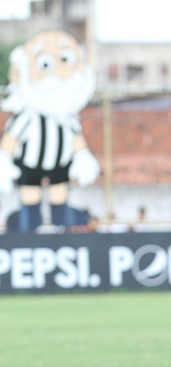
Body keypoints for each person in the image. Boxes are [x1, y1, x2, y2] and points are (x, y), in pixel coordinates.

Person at [0, 29, 100, 233]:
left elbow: (77, 140)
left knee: (58, 192)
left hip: (59, 166)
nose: (56, 73)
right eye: (46, 64)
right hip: (29, 166)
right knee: (30, 194)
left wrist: (83, 157)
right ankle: (28, 218)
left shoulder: (66, 117)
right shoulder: (26, 117)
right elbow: (11, 139)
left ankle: (61, 215)